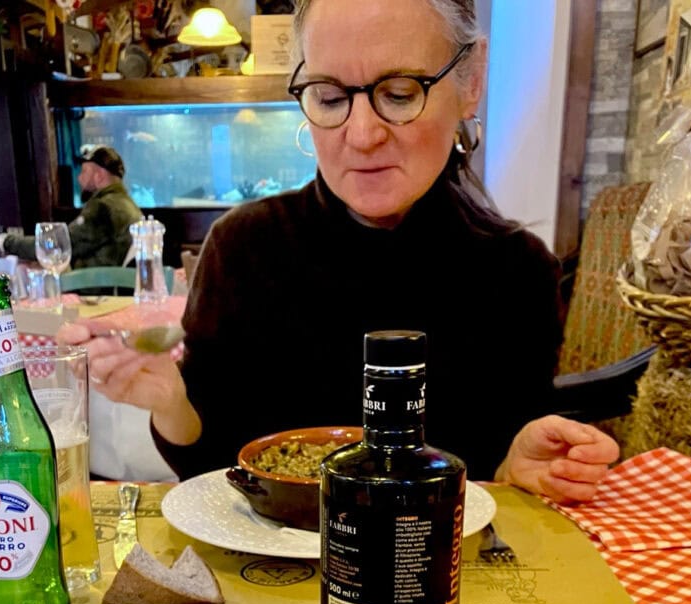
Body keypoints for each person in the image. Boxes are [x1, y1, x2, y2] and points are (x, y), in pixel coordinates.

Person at [62, 0, 619, 505]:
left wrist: (519, 465)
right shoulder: (244, 248)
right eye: (329, 97)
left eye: (399, 93)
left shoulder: (518, 272)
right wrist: (170, 403)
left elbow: (499, 464)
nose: (362, 134)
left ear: (470, 81)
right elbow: (214, 467)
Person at [3, 146, 142, 268]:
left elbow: (59, 245)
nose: (79, 178)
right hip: (112, 281)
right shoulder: (126, 204)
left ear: (99, 176)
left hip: (92, 285)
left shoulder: (103, 207)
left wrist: (7, 242)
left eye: (84, 172)